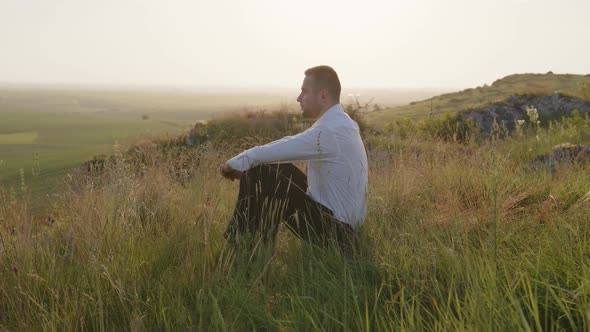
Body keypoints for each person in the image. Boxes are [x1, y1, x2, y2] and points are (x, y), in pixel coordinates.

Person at [220, 65, 368, 251]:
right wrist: (245, 163)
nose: (299, 98)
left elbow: (283, 146)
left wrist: (231, 165)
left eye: (304, 92)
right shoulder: (341, 122)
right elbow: (288, 143)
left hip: (338, 234)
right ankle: (258, 244)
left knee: (259, 172)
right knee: (274, 167)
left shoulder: (330, 132)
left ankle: (238, 246)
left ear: (323, 96)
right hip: (339, 223)